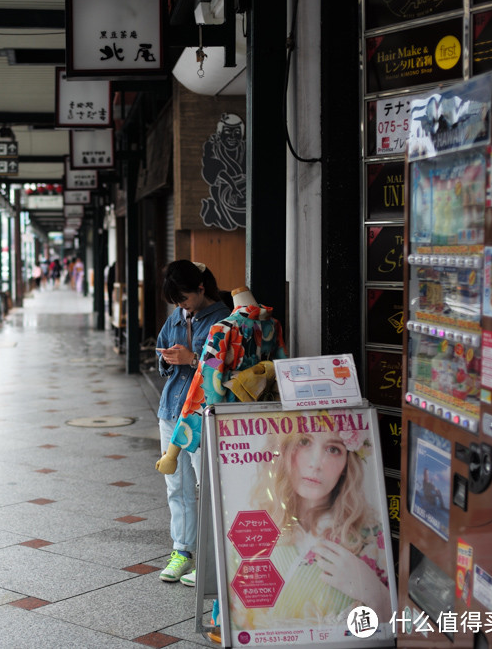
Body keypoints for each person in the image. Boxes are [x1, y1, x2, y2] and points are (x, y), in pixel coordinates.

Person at [157, 285, 287, 593]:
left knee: (213, 490)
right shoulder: (272, 324)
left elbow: (205, 387)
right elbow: (283, 367)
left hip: (222, 421)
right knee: (244, 491)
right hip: (260, 419)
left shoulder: (223, 327)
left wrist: (176, 445)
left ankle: (215, 562)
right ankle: (239, 558)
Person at [230, 422, 392, 630]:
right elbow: (237, 626)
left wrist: (374, 593)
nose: (316, 464)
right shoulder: (252, 527)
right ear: (285, 449)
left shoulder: (370, 536)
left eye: (333, 449)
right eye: (304, 442)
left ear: (346, 464)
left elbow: (393, 631)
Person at [154, 260, 231, 583]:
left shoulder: (225, 319)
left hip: (203, 414)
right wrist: (166, 358)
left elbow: (225, 366)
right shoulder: (177, 316)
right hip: (172, 410)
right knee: (178, 486)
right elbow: (160, 352)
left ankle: (213, 559)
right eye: (176, 302)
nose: (181, 306)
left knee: (209, 485)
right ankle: (182, 552)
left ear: (201, 289)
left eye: (184, 299)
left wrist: (192, 359)